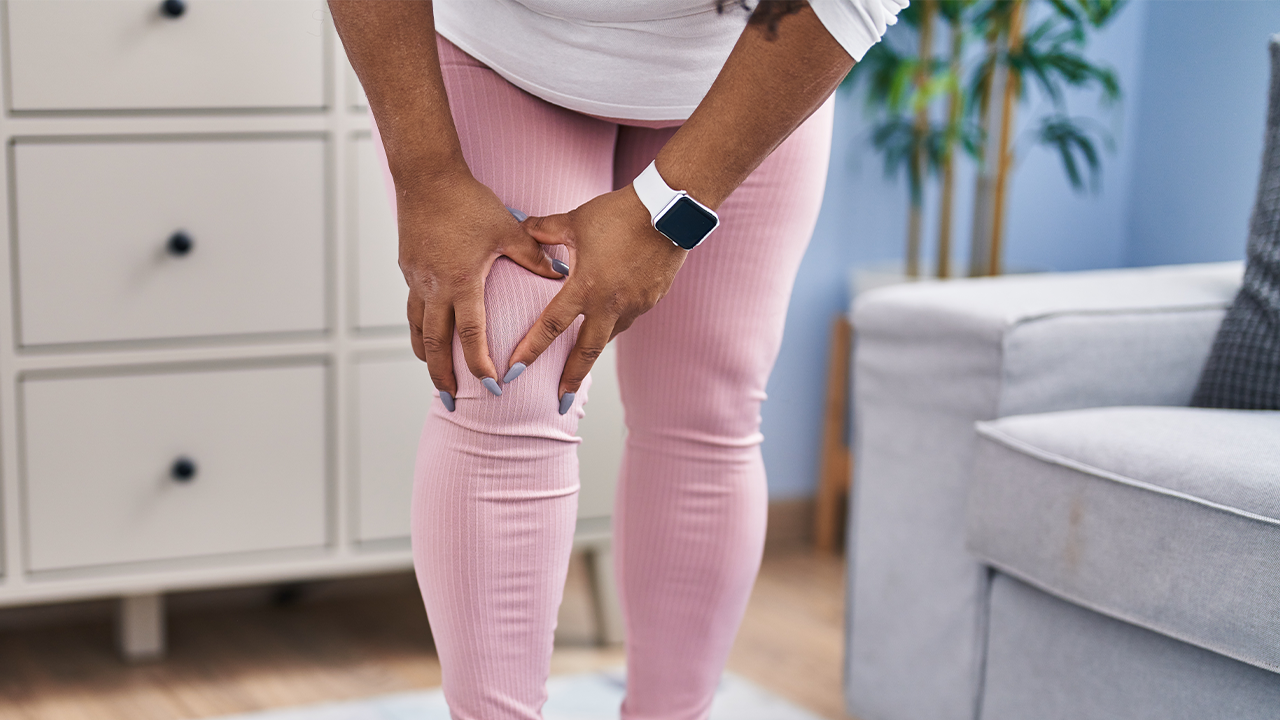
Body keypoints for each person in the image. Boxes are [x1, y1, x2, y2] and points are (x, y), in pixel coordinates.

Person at [328, 1, 906, 717]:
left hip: (749, 61)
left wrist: (674, 211)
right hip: (505, 51)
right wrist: (427, 175)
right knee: (505, 384)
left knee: (708, 408)